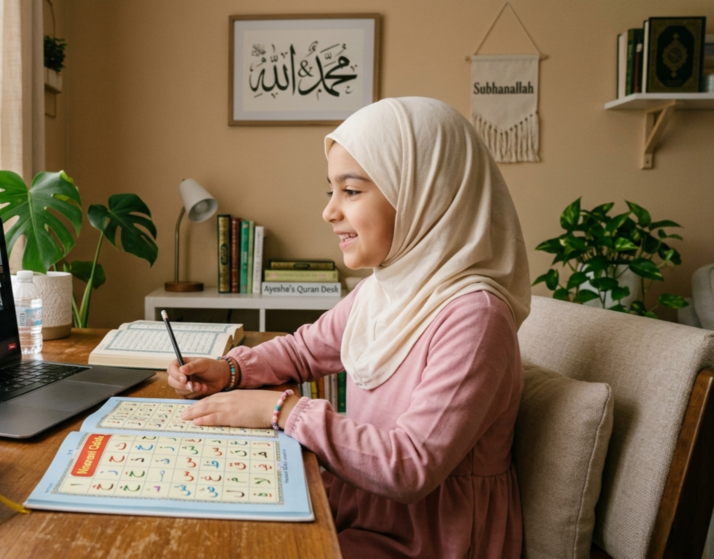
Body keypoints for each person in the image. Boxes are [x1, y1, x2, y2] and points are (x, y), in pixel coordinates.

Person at [168, 98, 530, 558]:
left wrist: (282, 411)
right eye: (331, 191)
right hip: (365, 511)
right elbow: (303, 352)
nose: (330, 212)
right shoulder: (385, 289)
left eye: (352, 191)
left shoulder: (475, 317)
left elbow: (411, 466)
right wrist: (229, 371)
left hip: (433, 540)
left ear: (425, 195)